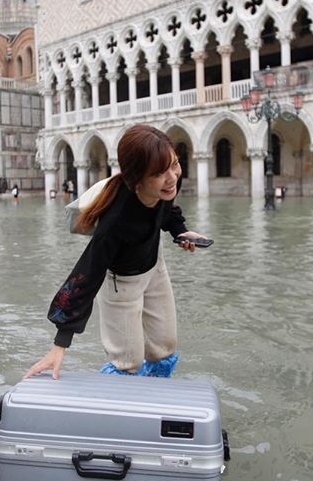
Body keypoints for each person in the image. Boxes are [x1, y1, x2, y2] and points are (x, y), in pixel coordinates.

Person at [25, 124, 209, 380]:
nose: (172, 177)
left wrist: (180, 233)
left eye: (174, 164)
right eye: (159, 172)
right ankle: (121, 402)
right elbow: (87, 275)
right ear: (137, 180)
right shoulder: (116, 222)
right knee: (128, 361)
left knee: (164, 347)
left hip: (154, 266)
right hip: (120, 285)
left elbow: (167, 212)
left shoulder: (160, 190)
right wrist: (60, 343)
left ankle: (155, 394)